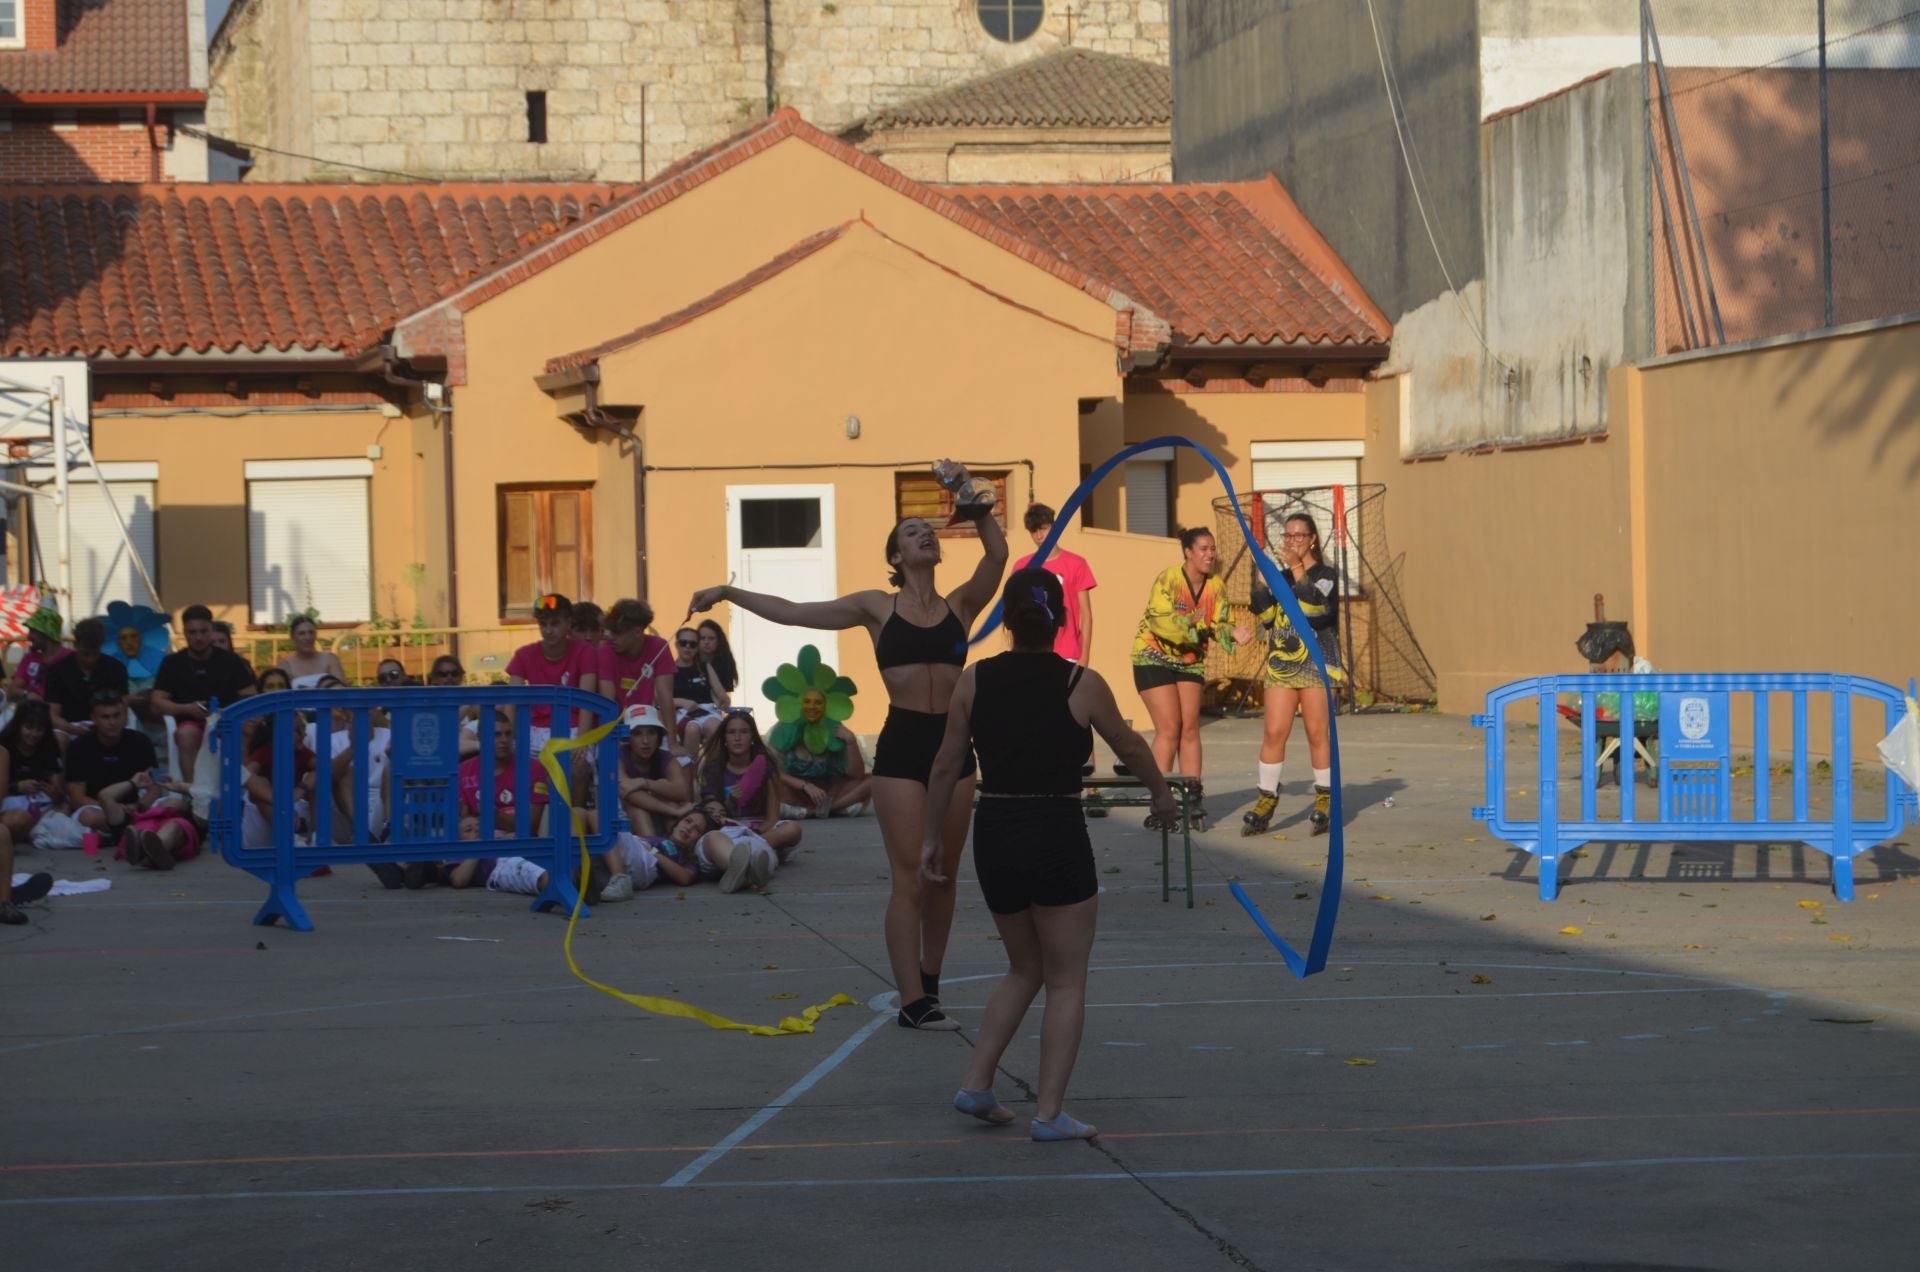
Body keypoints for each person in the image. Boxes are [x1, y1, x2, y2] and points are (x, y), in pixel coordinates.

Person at [689, 477, 1009, 1030]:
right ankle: (912, 1001)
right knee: (910, 875)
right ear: (896, 555)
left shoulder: (962, 602)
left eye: (929, 531)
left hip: (955, 747)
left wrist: (971, 500)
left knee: (945, 875)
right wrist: (727, 592)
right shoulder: (876, 608)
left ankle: (930, 983)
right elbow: (792, 611)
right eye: (912, 533)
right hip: (906, 746)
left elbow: (998, 554)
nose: (925, 536)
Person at [922, 567, 1175, 1140]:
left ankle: (977, 1081)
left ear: (1006, 622)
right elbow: (1130, 745)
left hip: (996, 830)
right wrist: (1160, 794)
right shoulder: (1079, 682)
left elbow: (944, 765)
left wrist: (933, 838)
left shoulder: (974, 680)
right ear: (1060, 620)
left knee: (1024, 965)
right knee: (1065, 978)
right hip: (1054, 828)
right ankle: (1049, 1112)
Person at [1129, 527, 1249, 832]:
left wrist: (1231, 633)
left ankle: (1193, 796)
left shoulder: (1216, 586)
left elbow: (1221, 623)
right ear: (1188, 552)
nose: (1210, 554)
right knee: (1169, 726)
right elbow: (1162, 623)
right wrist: (1196, 624)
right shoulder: (1168, 579)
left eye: (1212, 549)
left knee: (1190, 725)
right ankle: (1161, 799)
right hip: (1152, 655)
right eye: (1203, 549)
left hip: (1190, 659)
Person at [1241, 512, 1345, 838]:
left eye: (1299, 535)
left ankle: (1325, 800)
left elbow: (1316, 610)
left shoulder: (1326, 574)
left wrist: (1298, 568)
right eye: (1287, 536)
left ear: (1312, 538)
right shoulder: (1282, 576)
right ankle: (1266, 799)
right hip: (1282, 663)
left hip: (1317, 662)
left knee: (1317, 733)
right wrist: (1261, 582)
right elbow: (1268, 617)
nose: (1292, 541)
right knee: (1274, 732)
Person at [66, 689, 176, 868]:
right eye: (105, 717)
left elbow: (156, 787)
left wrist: (139, 806)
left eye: (117, 716)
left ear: (125, 715)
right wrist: (113, 809)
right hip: (98, 806)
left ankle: (132, 835)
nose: (112, 722)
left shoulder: (140, 741)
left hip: (136, 806)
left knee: (172, 803)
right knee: (89, 816)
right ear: (93, 718)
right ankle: (142, 833)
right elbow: (77, 797)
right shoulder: (79, 747)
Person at [151, 604, 258, 781]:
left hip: (227, 720)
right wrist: (186, 708)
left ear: (211, 631)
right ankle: (195, 795)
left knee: (245, 729)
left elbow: (250, 695)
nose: (198, 637)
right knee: (186, 735)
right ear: (184, 633)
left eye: (203, 631)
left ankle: (237, 792)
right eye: (192, 632)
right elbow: (156, 702)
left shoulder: (231, 661)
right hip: (190, 722)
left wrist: (230, 713)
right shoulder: (172, 663)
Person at [505, 593, 599, 749]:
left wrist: (581, 742)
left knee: (578, 769)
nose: (548, 630)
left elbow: (586, 702)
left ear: (568, 623)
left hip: (575, 729)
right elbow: (512, 702)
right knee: (524, 769)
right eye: (543, 624)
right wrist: (509, 740)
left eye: (555, 624)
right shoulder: (524, 655)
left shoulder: (585, 652)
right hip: (534, 730)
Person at [1010, 502, 1097, 665]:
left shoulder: (1077, 564)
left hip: (1068, 654)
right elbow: (1014, 613)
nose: (1039, 536)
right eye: (1034, 531)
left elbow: (1086, 615)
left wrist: (1084, 655)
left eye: (1043, 528)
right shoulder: (1022, 567)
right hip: (1030, 653)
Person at [46, 618, 131, 745]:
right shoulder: (58, 670)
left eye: (95, 654)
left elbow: (123, 709)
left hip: (107, 725)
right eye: (85, 654)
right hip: (69, 727)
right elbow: (52, 715)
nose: (90, 660)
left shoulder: (116, 669)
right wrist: (73, 729)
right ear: (76, 645)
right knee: (59, 739)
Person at [614, 704, 693, 837]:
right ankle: (655, 852)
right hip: (624, 819)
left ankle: (674, 851)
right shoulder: (617, 755)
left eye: (651, 732)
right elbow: (625, 790)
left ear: (659, 736)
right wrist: (672, 811)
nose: (645, 741)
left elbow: (682, 791)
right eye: (637, 733)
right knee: (637, 806)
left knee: (672, 801)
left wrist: (644, 782)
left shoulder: (665, 757)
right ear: (628, 737)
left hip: (660, 814)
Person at [597, 599, 676, 727]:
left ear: (638, 632)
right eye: (610, 631)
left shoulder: (659, 646)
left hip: (649, 724)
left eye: (617, 633)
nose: (610, 637)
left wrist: (673, 743)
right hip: (618, 726)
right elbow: (608, 703)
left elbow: (665, 699)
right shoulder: (606, 650)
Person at [1, 699, 65, 847]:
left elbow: (58, 789)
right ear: (18, 726)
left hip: (40, 803)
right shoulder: (5, 748)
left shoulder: (48, 747)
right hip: (9, 803)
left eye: (39, 729)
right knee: (19, 819)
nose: (34, 734)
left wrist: (55, 792)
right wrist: (17, 787)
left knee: (62, 807)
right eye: (29, 728)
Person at [671, 626, 730, 751]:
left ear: (697, 647)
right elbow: (659, 700)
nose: (687, 647)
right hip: (681, 713)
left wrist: (723, 700)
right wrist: (682, 702)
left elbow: (721, 694)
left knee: (715, 727)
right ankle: (690, 768)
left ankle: (713, 767)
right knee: (693, 728)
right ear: (676, 645)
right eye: (683, 643)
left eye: (692, 644)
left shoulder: (705, 667)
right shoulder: (668, 670)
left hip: (706, 711)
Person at [10, 607, 68, 703]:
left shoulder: (70, 659)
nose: (28, 637)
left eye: (33, 631)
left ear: (46, 633)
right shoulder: (29, 658)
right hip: (33, 715)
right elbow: (11, 692)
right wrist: (27, 695)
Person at [278, 615, 346, 689]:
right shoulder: (286, 665)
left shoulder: (330, 659)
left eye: (311, 633)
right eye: (301, 633)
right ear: (292, 637)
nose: (307, 637)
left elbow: (343, 692)